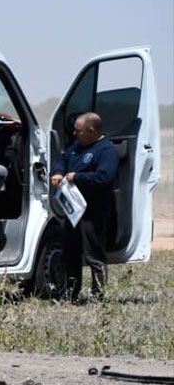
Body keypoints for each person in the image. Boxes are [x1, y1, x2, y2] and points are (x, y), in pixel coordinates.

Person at [49, 112, 119, 301]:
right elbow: (63, 159)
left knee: (94, 254)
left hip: (93, 211)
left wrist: (77, 177)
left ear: (91, 130)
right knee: (70, 252)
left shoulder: (106, 151)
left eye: (78, 131)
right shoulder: (78, 146)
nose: (74, 133)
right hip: (74, 210)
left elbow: (104, 178)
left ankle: (98, 296)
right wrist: (58, 172)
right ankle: (69, 294)